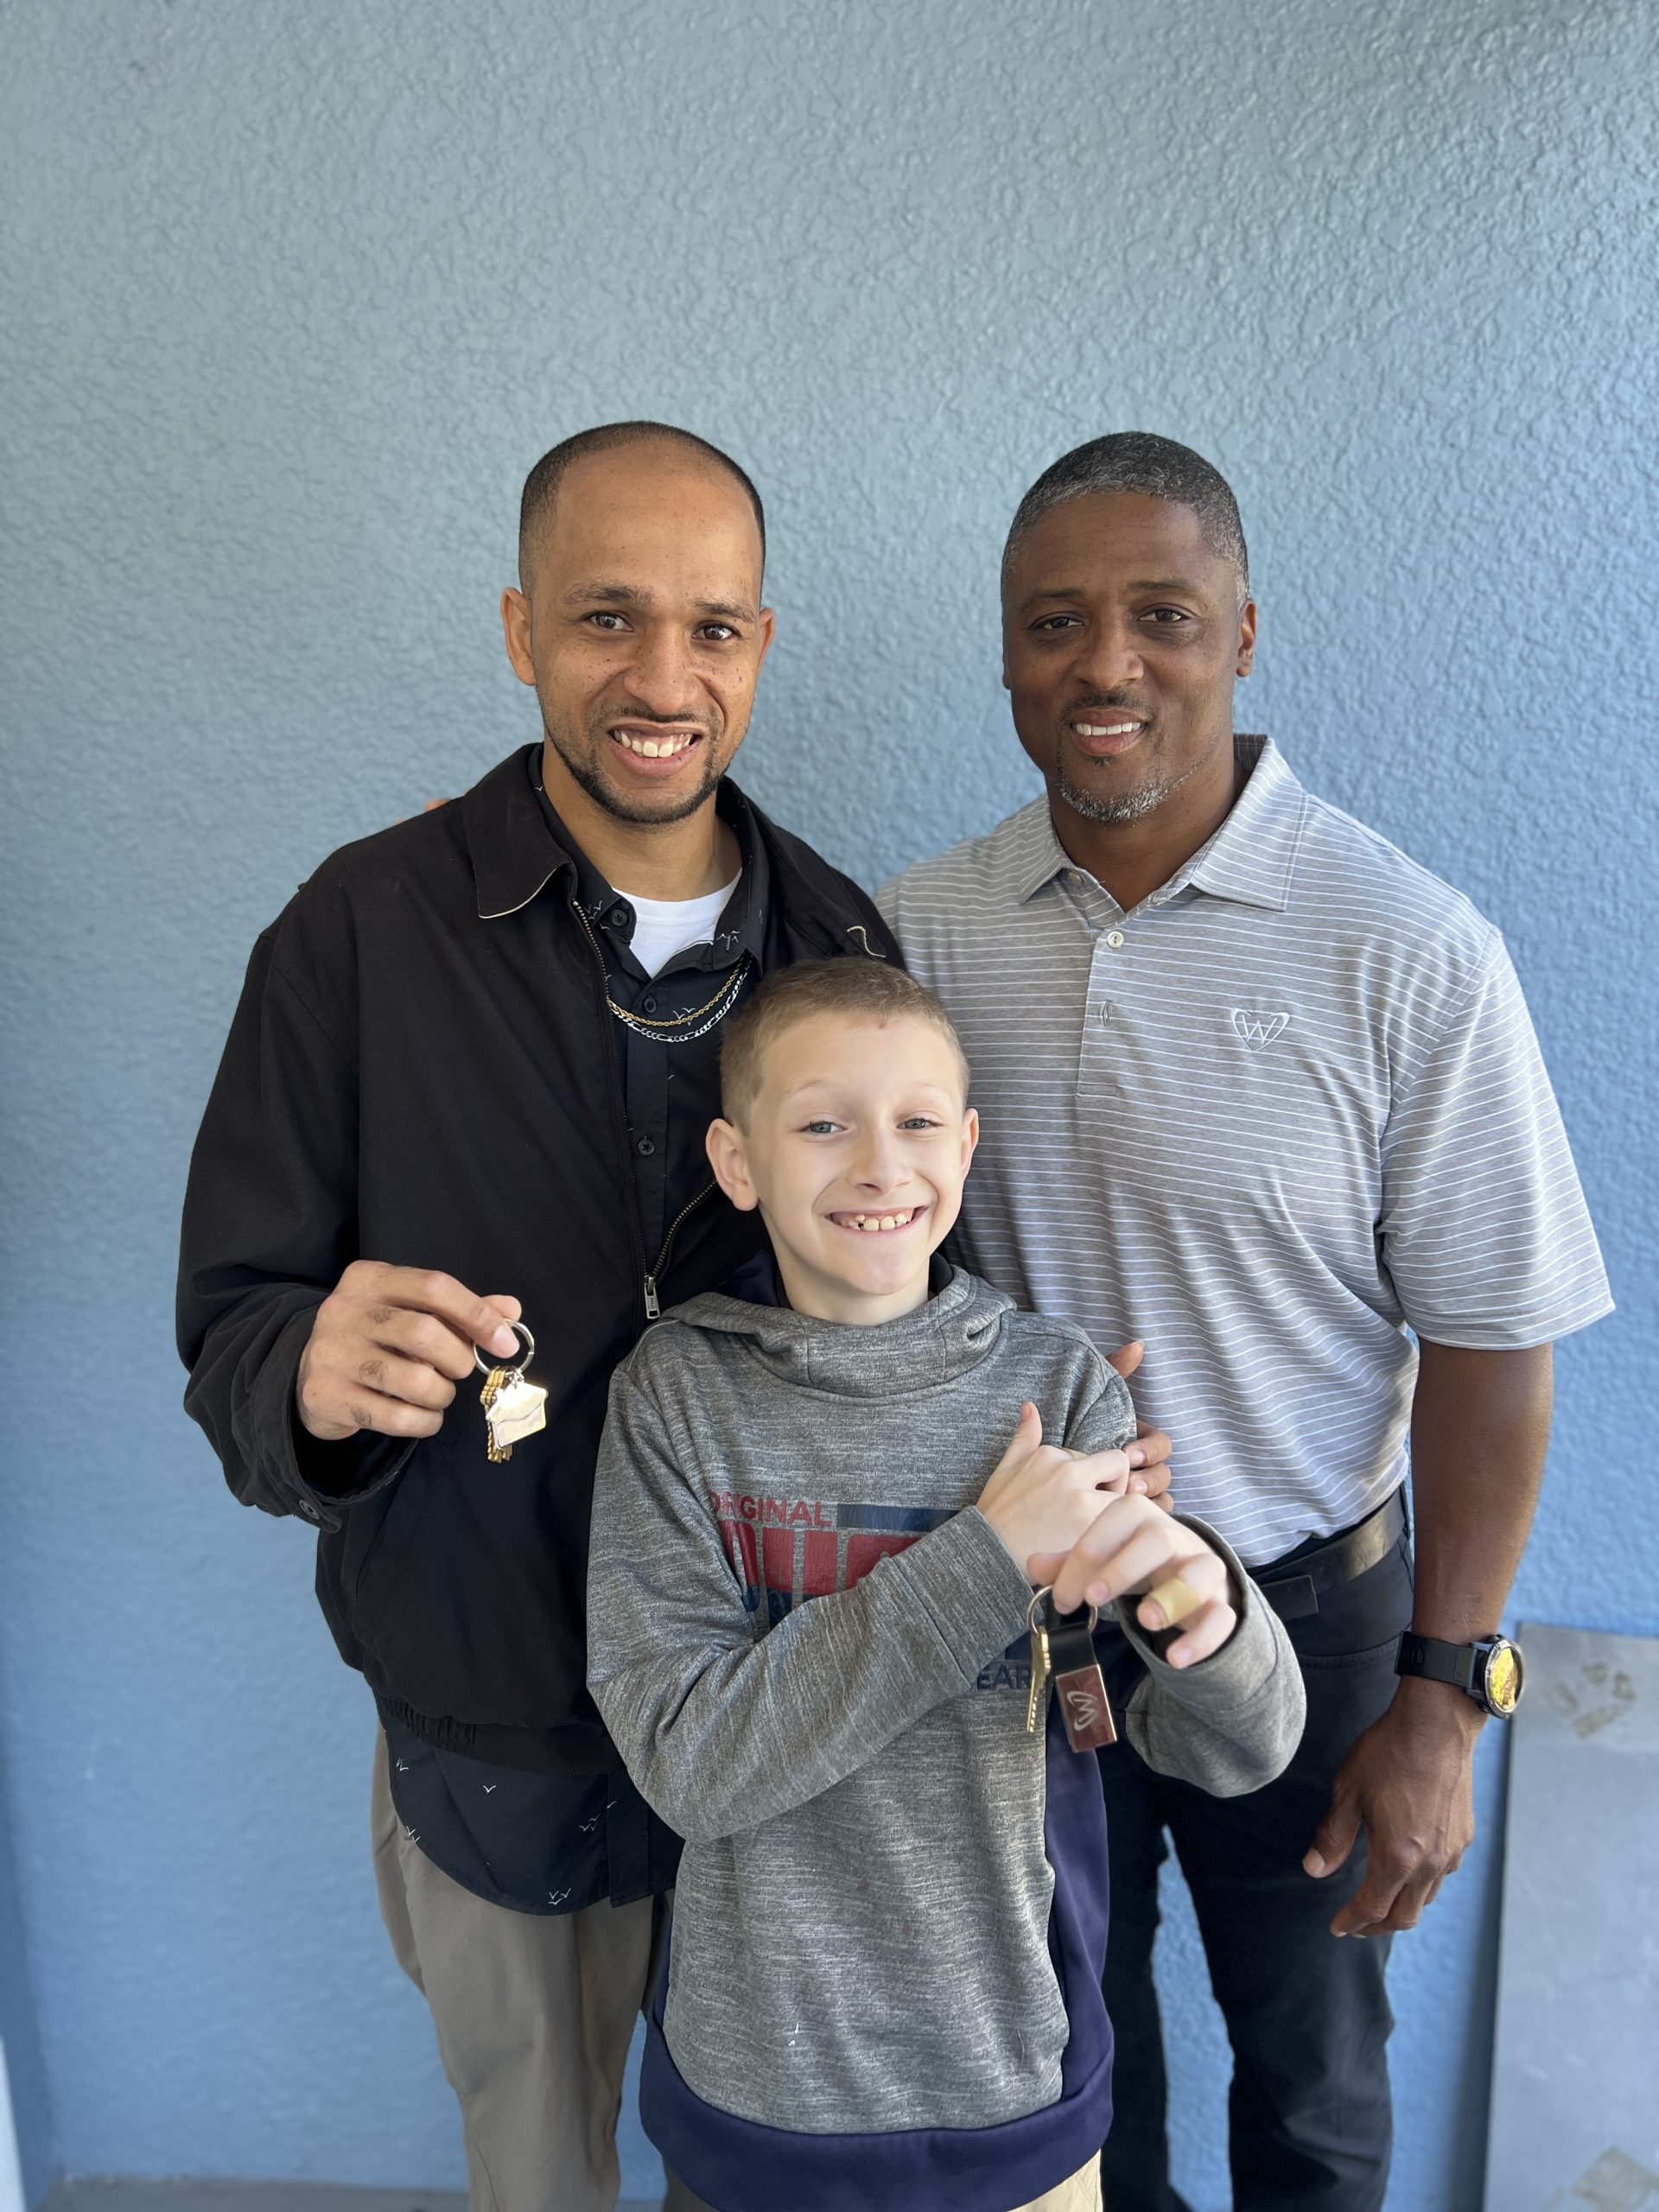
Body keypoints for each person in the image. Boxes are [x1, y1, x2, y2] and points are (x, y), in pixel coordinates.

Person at [176, 422, 922, 2212]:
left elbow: (911, 1310)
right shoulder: (354, 935)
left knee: (765, 2180)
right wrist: (315, 1376)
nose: (663, 679)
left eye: (714, 626)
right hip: (493, 1731)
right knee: (543, 2182)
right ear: (520, 630)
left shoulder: (838, 938)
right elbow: (230, 1328)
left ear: (761, 641)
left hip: (777, 1736)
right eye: (606, 618)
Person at [877, 433, 1613, 2212]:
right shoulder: (915, 934)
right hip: (1031, 1624)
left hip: (1311, 1615)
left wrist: (1446, 1694)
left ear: (1245, 632)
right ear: (1003, 652)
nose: (1105, 665)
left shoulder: (1406, 946)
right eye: (1055, 621)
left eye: (1161, 615)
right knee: (1062, 2069)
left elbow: (1498, 1348)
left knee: (1312, 2085)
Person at [585, 958, 1306, 2212]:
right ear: (737, 1159)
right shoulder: (676, 1397)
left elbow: (1238, 1749)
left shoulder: (1063, 1391)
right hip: (762, 2090)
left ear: (966, 1150)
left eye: (917, 1122)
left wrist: (1214, 1614)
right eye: (822, 1123)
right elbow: (688, 1760)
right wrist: (983, 1558)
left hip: (1013, 2081)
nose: (878, 1164)